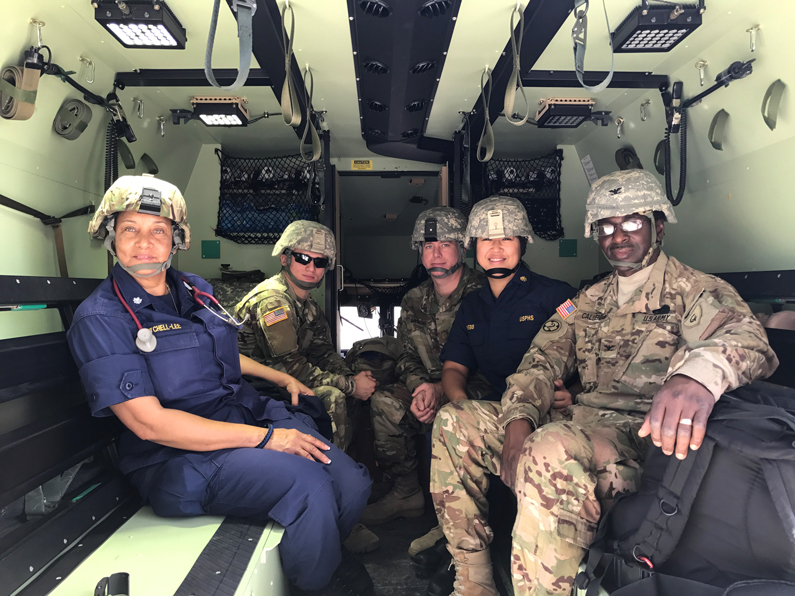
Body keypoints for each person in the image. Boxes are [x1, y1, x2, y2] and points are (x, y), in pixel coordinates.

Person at [431, 170, 779, 596]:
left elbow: (749, 340)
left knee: (551, 444)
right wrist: (519, 418)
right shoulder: (585, 301)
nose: (618, 235)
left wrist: (697, 376)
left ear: (658, 226)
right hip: (578, 424)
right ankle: (474, 583)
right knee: (456, 420)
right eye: (606, 226)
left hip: (645, 439)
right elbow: (540, 359)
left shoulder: (696, 290)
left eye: (632, 222)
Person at [66, 175, 374, 596]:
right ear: (111, 238)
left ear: (176, 239)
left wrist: (278, 377)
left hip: (240, 415)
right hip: (176, 457)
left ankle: (321, 556)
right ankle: (316, 584)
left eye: (158, 230)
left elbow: (218, 349)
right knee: (311, 484)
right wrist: (267, 439)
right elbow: (149, 425)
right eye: (129, 230)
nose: (144, 242)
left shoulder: (194, 289)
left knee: (354, 481)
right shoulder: (102, 318)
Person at [361, 208, 491, 564]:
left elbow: (496, 363)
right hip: (427, 386)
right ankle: (405, 494)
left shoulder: (484, 293)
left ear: (462, 249)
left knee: (454, 415)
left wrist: (441, 390)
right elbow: (404, 356)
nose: (436, 253)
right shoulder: (413, 300)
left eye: (445, 244)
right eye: (428, 245)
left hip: (476, 388)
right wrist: (421, 387)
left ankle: (457, 515)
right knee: (385, 402)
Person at [234, 220, 378, 452]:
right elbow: (290, 368)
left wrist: (351, 376)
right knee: (333, 396)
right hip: (256, 387)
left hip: (283, 382)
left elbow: (323, 354)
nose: (311, 267)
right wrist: (351, 386)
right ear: (285, 258)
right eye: (303, 258)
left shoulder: (308, 304)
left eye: (319, 261)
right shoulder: (273, 301)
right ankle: (331, 469)